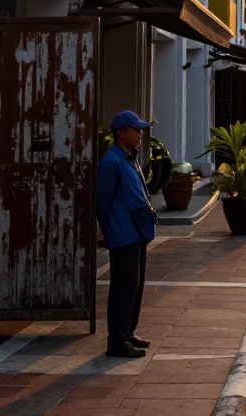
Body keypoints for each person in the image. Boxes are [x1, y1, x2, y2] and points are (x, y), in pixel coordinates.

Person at [95, 110, 158, 358]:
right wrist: (108, 231)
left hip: (137, 232)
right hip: (123, 234)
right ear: (121, 132)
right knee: (123, 289)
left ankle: (128, 332)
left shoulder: (130, 158)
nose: (141, 133)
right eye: (136, 129)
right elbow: (103, 202)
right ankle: (117, 342)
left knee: (134, 287)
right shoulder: (111, 162)